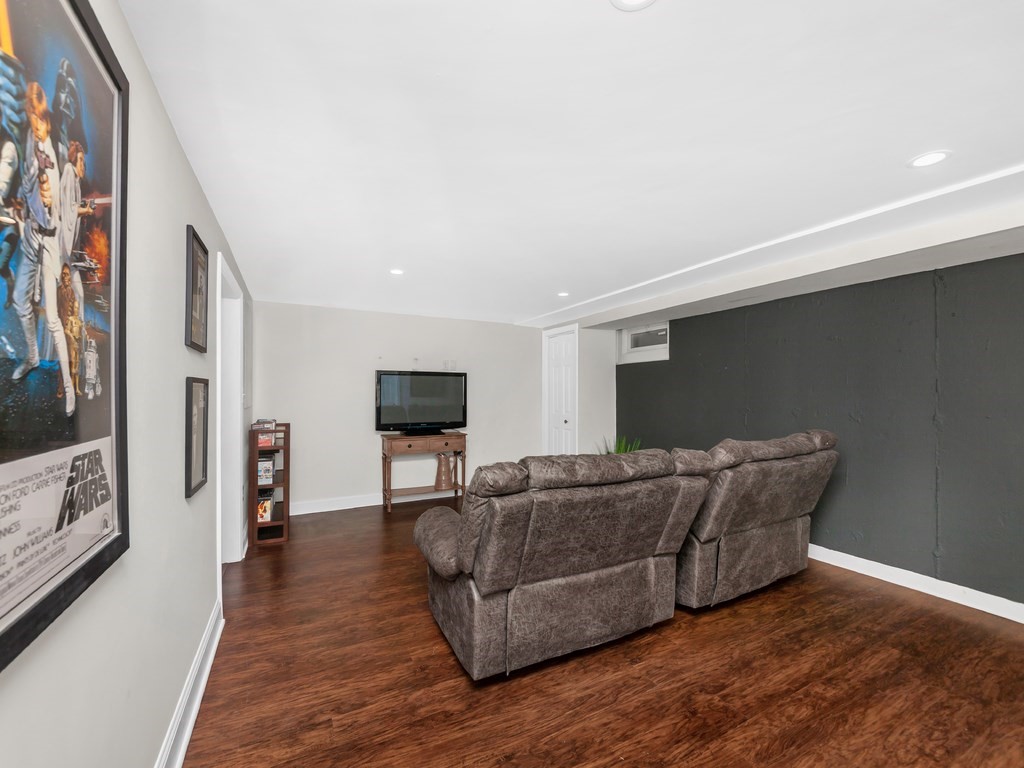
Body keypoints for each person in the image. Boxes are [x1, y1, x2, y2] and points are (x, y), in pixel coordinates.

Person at [12, 82, 75, 416]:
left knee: (52, 318)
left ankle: (68, 385)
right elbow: (26, 189)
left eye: (37, 117)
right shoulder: (27, 141)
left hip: (49, 239)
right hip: (31, 235)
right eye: (30, 116)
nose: (34, 123)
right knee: (21, 303)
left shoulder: (50, 153)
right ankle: (33, 355)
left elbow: (52, 203)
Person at [59, 139, 92, 333]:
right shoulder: (69, 173)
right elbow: (68, 209)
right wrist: (84, 210)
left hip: (71, 253)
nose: (83, 166)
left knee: (78, 293)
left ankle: (78, 331)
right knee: (73, 293)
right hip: (65, 248)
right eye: (80, 160)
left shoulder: (76, 181)